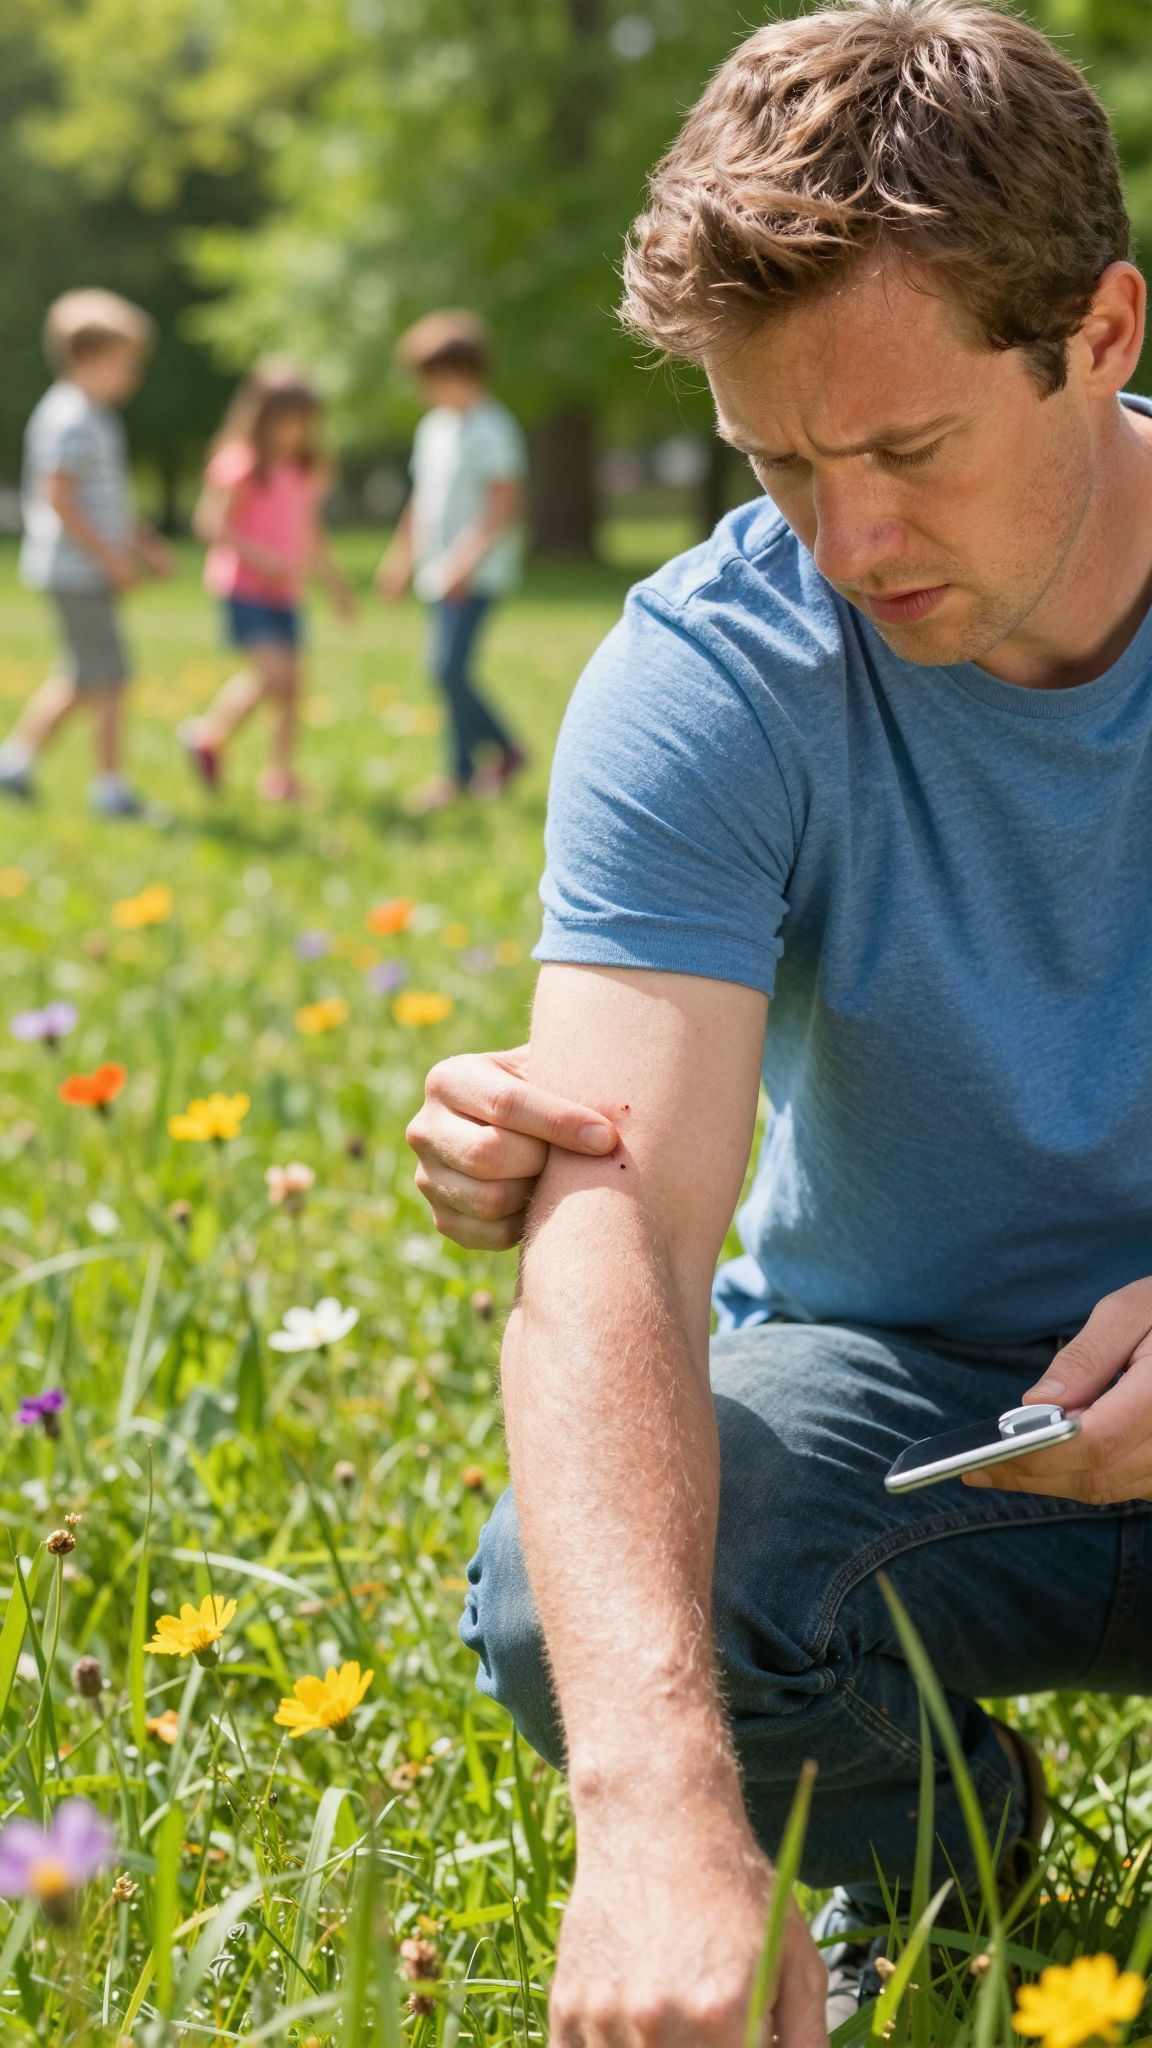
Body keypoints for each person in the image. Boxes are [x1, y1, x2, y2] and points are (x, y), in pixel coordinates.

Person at [405, 2, 1152, 2037]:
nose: (848, 544)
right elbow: (616, 1230)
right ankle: (964, 1868)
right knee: (574, 1611)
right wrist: (651, 1817)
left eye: (910, 449)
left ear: (1100, 333)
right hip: (911, 1408)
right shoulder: (712, 675)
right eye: (776, 461)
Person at [0, 289, 172, 817]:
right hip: (75, 570)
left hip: (80, 568)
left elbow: (108, 500)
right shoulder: (70, 417)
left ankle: (13, 765)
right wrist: (111, 559)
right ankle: (111, 791)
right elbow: (60, 497)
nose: (132, 377)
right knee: (110, 679)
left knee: (82, 677)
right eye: (124, 364)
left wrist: (142, 542)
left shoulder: (95, 416)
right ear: (84, 359)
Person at [182, 360, 355, 802]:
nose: (295, 432)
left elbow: (312, 532)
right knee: (273, 675)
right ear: (261, 417)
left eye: (304, 423)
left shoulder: (304, 471)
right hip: (245, 588)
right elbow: (209, 523)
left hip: (288, 593)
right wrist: (261, 559)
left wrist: (335, 586)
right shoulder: (240, 465)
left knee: (291, 687)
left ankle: (279, 776)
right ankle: (209, 735)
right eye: (287, 422)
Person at [376, 310, 527, 810]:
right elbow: (421, 501)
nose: (424, 390)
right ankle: (486, 761)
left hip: (474, 575)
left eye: (430, 379)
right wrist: (401, 559)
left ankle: (479, 763)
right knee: (446, 670)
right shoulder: (434, 428)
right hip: (436, 573)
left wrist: (465, 563)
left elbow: (502, 503)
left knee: (447, 669)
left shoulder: (492, 427)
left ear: (461, 374)